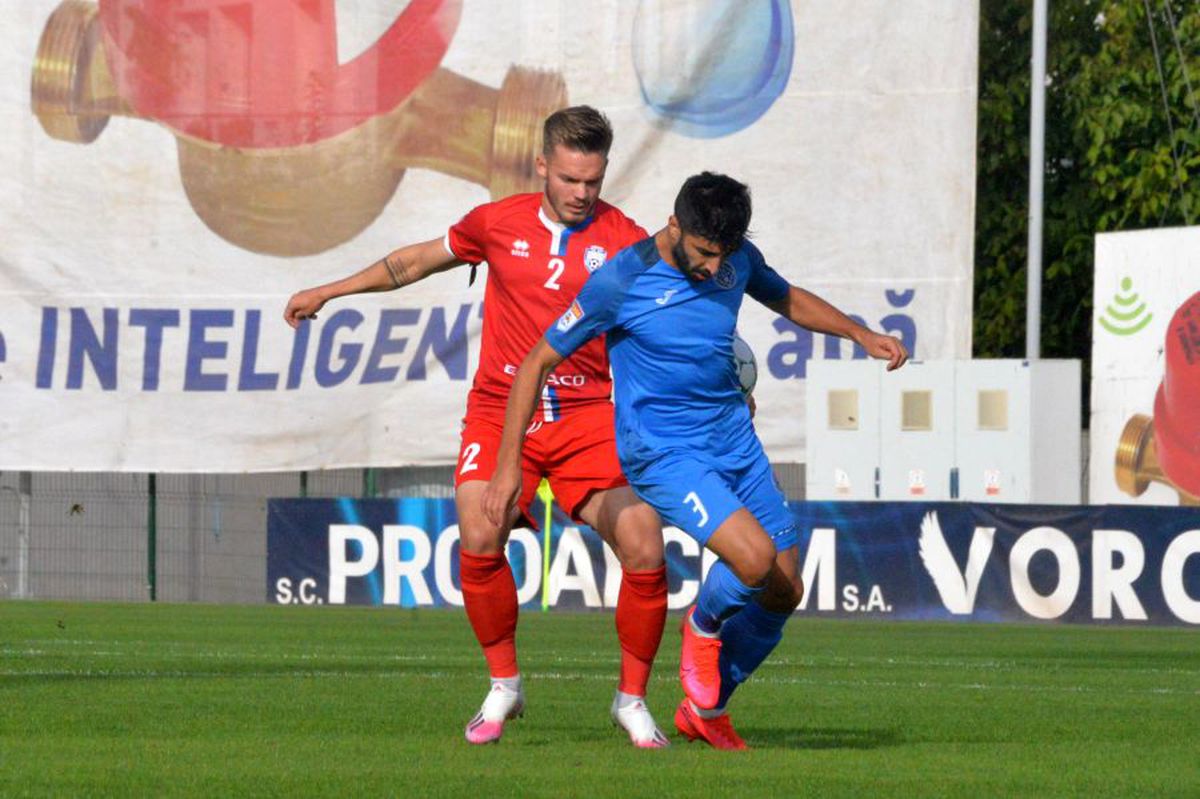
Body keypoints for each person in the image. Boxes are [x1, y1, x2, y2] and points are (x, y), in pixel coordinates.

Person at [283, 107, 670, 748]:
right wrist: (331, 290)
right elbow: (412, 264)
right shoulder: (496, 223)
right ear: (543, 165)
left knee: (644, 543)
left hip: (587, 416)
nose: (581, 193)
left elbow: (667, 321)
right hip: (500, 410)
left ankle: (631, 700)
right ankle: (505, 686)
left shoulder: (626, 240)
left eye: (593, 181)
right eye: (571, 178)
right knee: (480, 529)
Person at [482, 171, 908, 749]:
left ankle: (705, 712)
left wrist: (859, 334)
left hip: (733, 439)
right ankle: (702, 626)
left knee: (784, 590)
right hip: (661, 452)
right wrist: (510, 465)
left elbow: (787, 298)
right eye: (705, 254)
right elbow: (535, 362)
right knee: (754, 562)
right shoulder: (620, 279)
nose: (714, 269)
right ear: (675, 225)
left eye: (723, 256)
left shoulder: (734, 258)